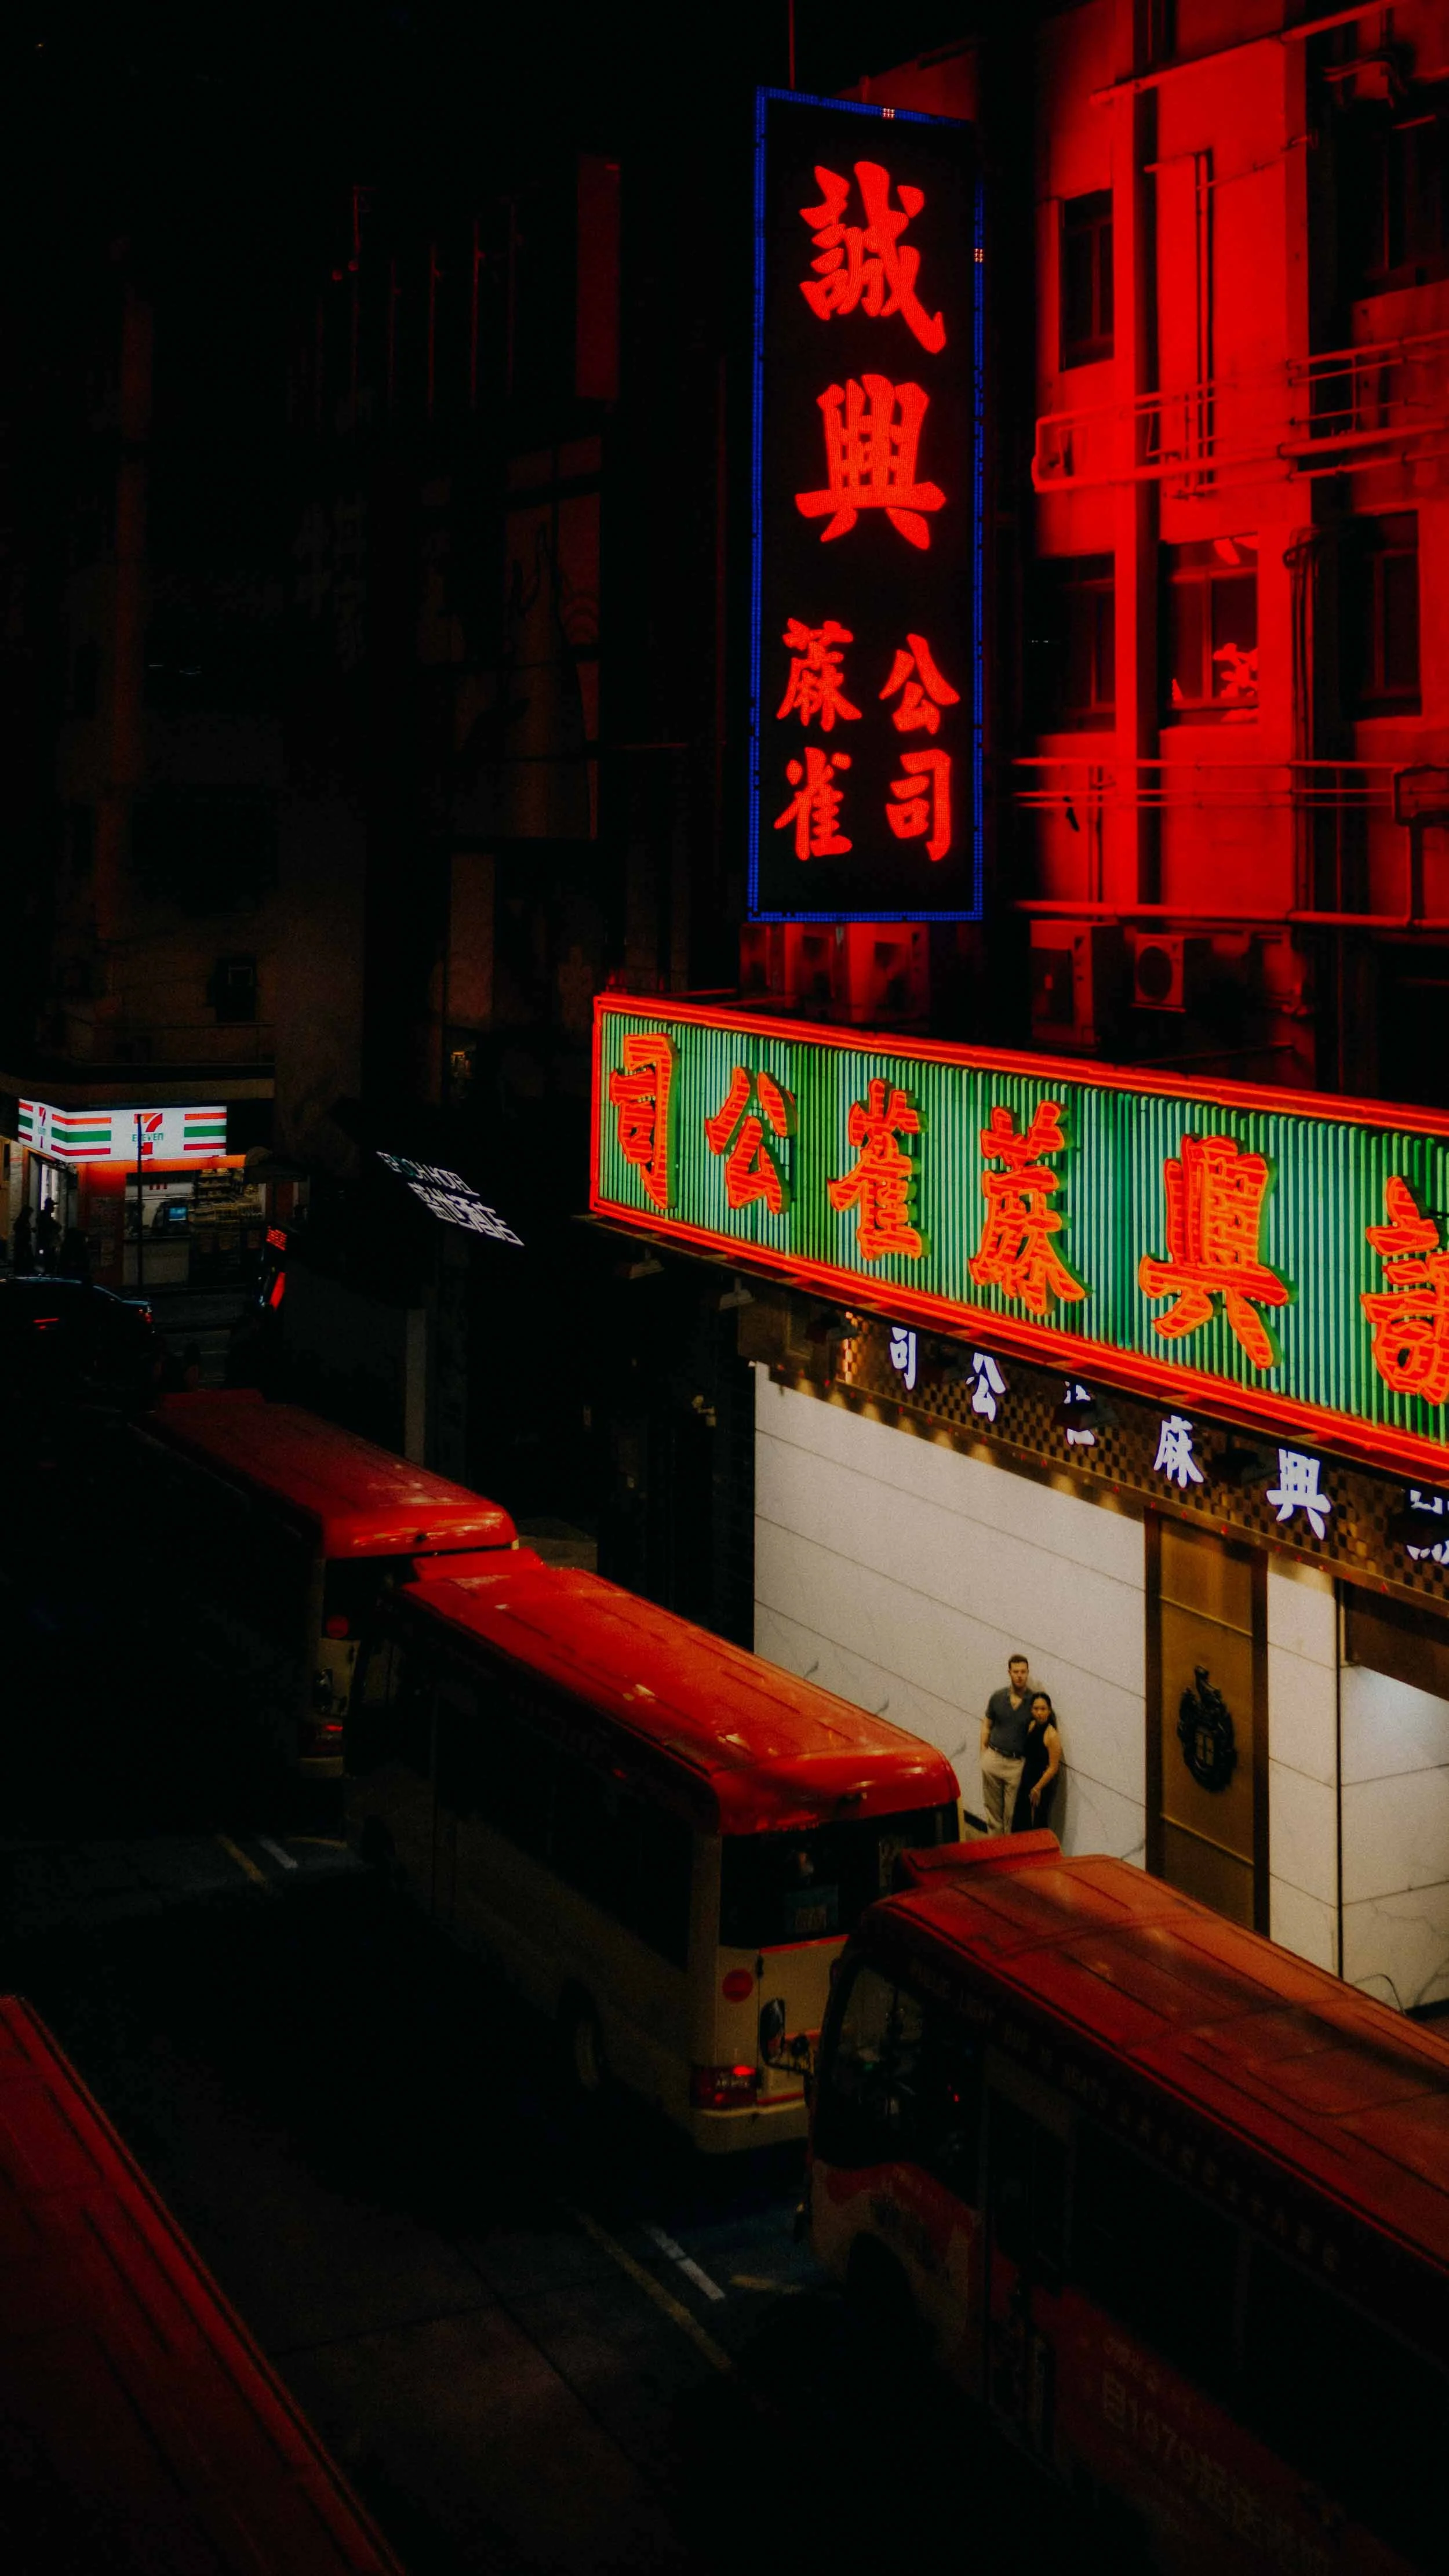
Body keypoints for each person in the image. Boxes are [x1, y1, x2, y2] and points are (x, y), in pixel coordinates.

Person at [980, 1654, 1033, 1835]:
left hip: (1016, 1765)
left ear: (1028, 1673)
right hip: (993, 1758)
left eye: (1023, 1672)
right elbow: (987, 1725)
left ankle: (1009, 1852)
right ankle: (995, 1851)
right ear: (1009, 1672)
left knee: (1012, 1814)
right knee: (993, 1813)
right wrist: (984, 1754)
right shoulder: (997, 1697)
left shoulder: (1033, 1702)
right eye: (1016, 1671)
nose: (1020, 1675)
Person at [1013, 1692, 1063, 1834]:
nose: (1039, 1713)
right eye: (1036, 1709)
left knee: (1037, 1824)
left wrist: (1037, 1788)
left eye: (1043, 1709)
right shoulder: (1032, 1725)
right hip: (1027, 1778)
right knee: (1021, 1820)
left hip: (1041, 1783)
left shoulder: (1052, 1735)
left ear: (1049, 1711)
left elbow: (1053, 1767)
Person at [34, 1203, 60, 1272]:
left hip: (48, 1243)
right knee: (48, 1261)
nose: (54, 1208)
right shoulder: (45, 1217)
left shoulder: (46, 1217)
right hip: (46, 1243)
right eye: (52, 1207)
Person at [11, 1205, 33, 1274]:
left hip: (23, 1243)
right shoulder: (22, 1220)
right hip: (22, 1243)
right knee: (21, 1257)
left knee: (22, 1257)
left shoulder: (24, 1220)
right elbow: (17, 1229)